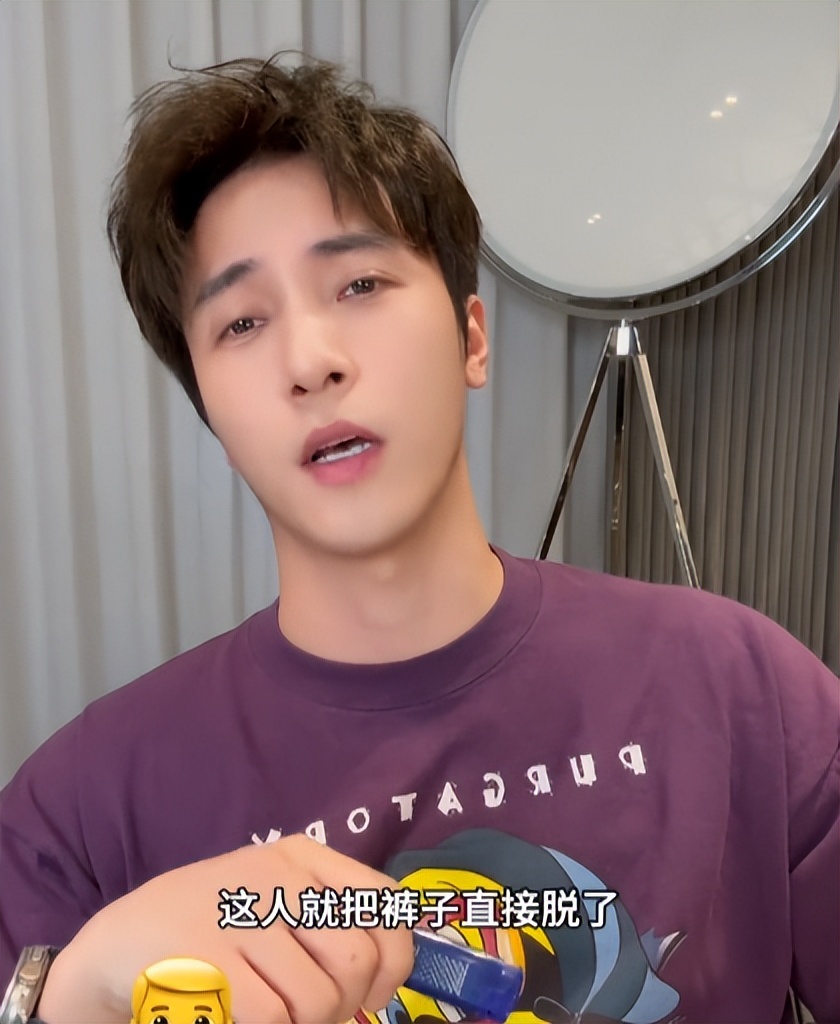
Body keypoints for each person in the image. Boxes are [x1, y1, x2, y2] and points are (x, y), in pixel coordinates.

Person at [0, 55, 837, 1024]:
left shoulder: (741, 692)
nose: (311, 361)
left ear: (472, 337)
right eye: (241, 323)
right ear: (211, 414)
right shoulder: (82, 811)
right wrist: (68, 993)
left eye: (359, 282)